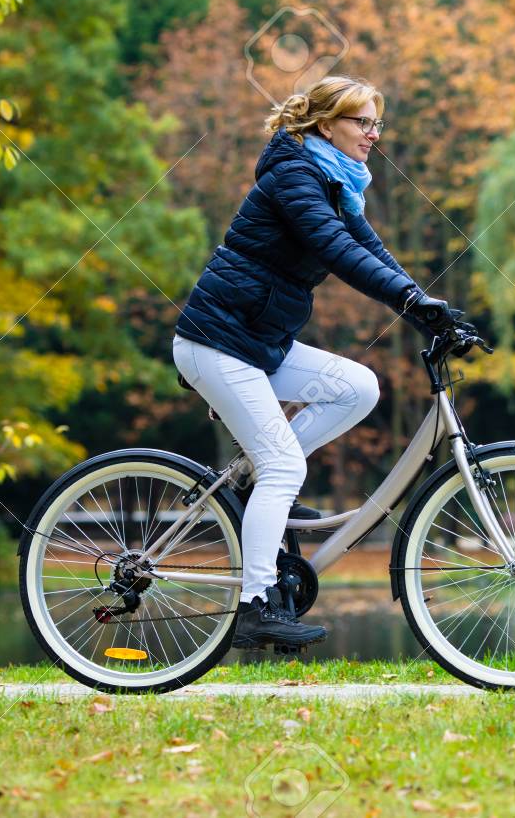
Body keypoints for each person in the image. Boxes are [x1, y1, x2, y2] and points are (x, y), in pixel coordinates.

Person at [171, 75, 462, 649]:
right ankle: (254, 606)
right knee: (286, 467)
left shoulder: (336, 181)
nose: (373, 134)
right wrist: (408, 302)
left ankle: (259, 483)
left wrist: (428, 306)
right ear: (326, 125)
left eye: (378, 124)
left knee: (358, 387)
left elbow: (368, 247)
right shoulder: (295, 175)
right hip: (215, 342)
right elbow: (336, 248)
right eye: (362, 122)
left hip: (259, 342)